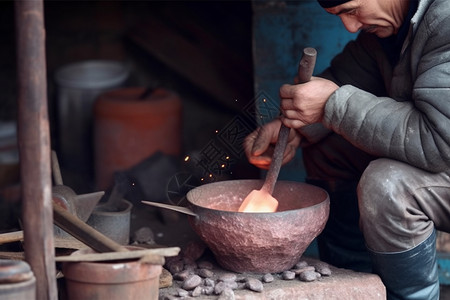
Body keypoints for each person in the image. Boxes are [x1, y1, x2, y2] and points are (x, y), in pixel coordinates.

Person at [244, 0, 450, 298]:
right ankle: (356, 284)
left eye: (352, 10)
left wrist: (333, 105)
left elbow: (439, 140)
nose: (351, 26)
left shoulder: (444, 20)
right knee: (330, 145)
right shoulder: (388, 31)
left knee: (388, 184)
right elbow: (344, 79)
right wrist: (295, 126)